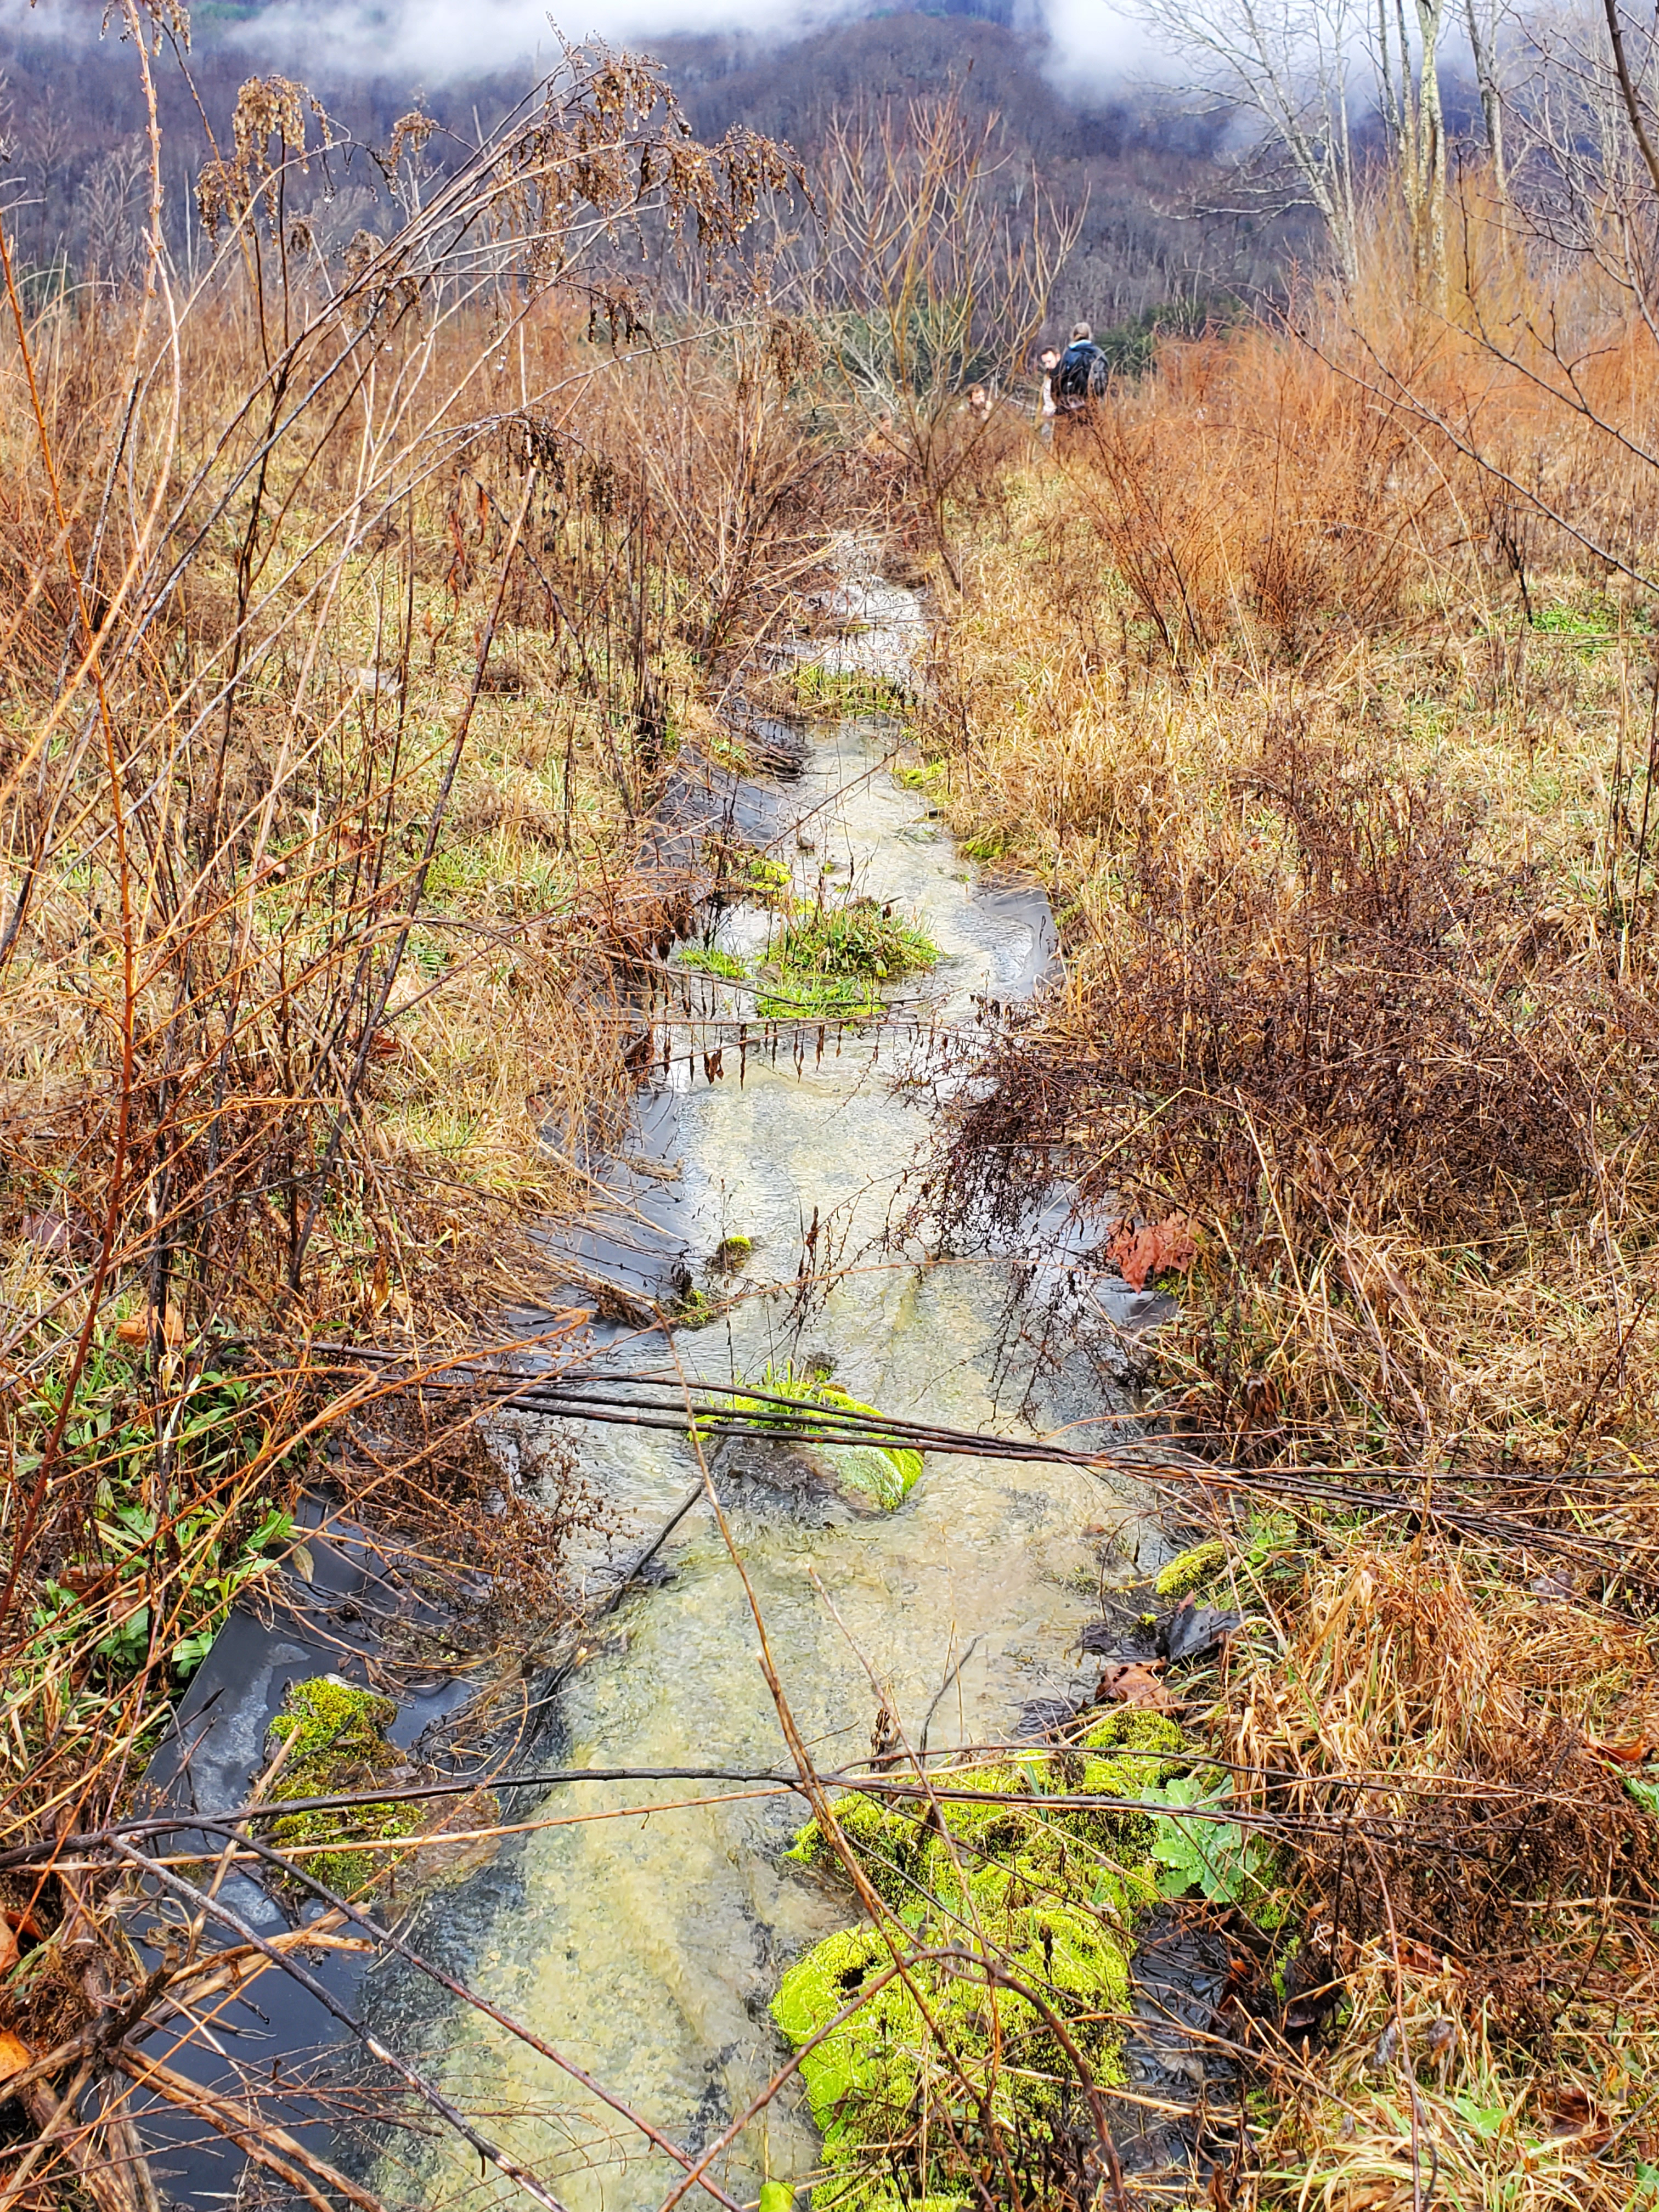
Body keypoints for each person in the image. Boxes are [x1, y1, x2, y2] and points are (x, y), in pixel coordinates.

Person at [1053, 321, 1108, 433]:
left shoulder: (1068, 354)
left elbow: (1056, 380)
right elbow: (1104, 381)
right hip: (1093, 406)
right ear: (1090, 336)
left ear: (1073, 336)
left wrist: (1058, 402)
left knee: (1065, 441)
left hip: (1069, 406)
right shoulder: (1100, 354)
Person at [1035, 346, 1059, 443]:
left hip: (1059, 420)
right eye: (1045, 363)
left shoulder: (1065, 376)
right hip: (1046, 418)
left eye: (1049, 361)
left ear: (1058, 357)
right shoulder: (1047, 376)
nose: (1047, 366)